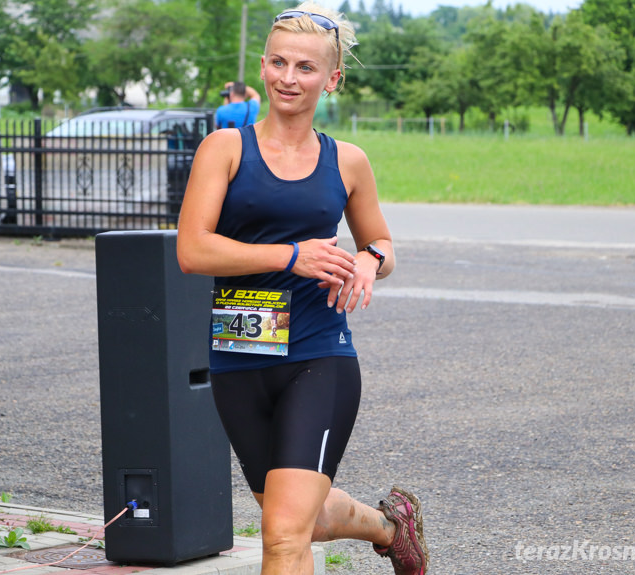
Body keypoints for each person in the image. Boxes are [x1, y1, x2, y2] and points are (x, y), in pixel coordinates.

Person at [177, 3, 428, 574]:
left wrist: (369, 259)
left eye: (307, 68)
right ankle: (391, 527)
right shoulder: (225, 149)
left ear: (332, 78)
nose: (289, 78)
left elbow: (383, 244)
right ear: (263, 65)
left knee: (285, 535)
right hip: (240, 355)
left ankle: (389, 528)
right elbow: (192, 250)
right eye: (279, 63)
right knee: (300, 520)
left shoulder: (349, 162)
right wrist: (292, 255)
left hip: (319, 356)